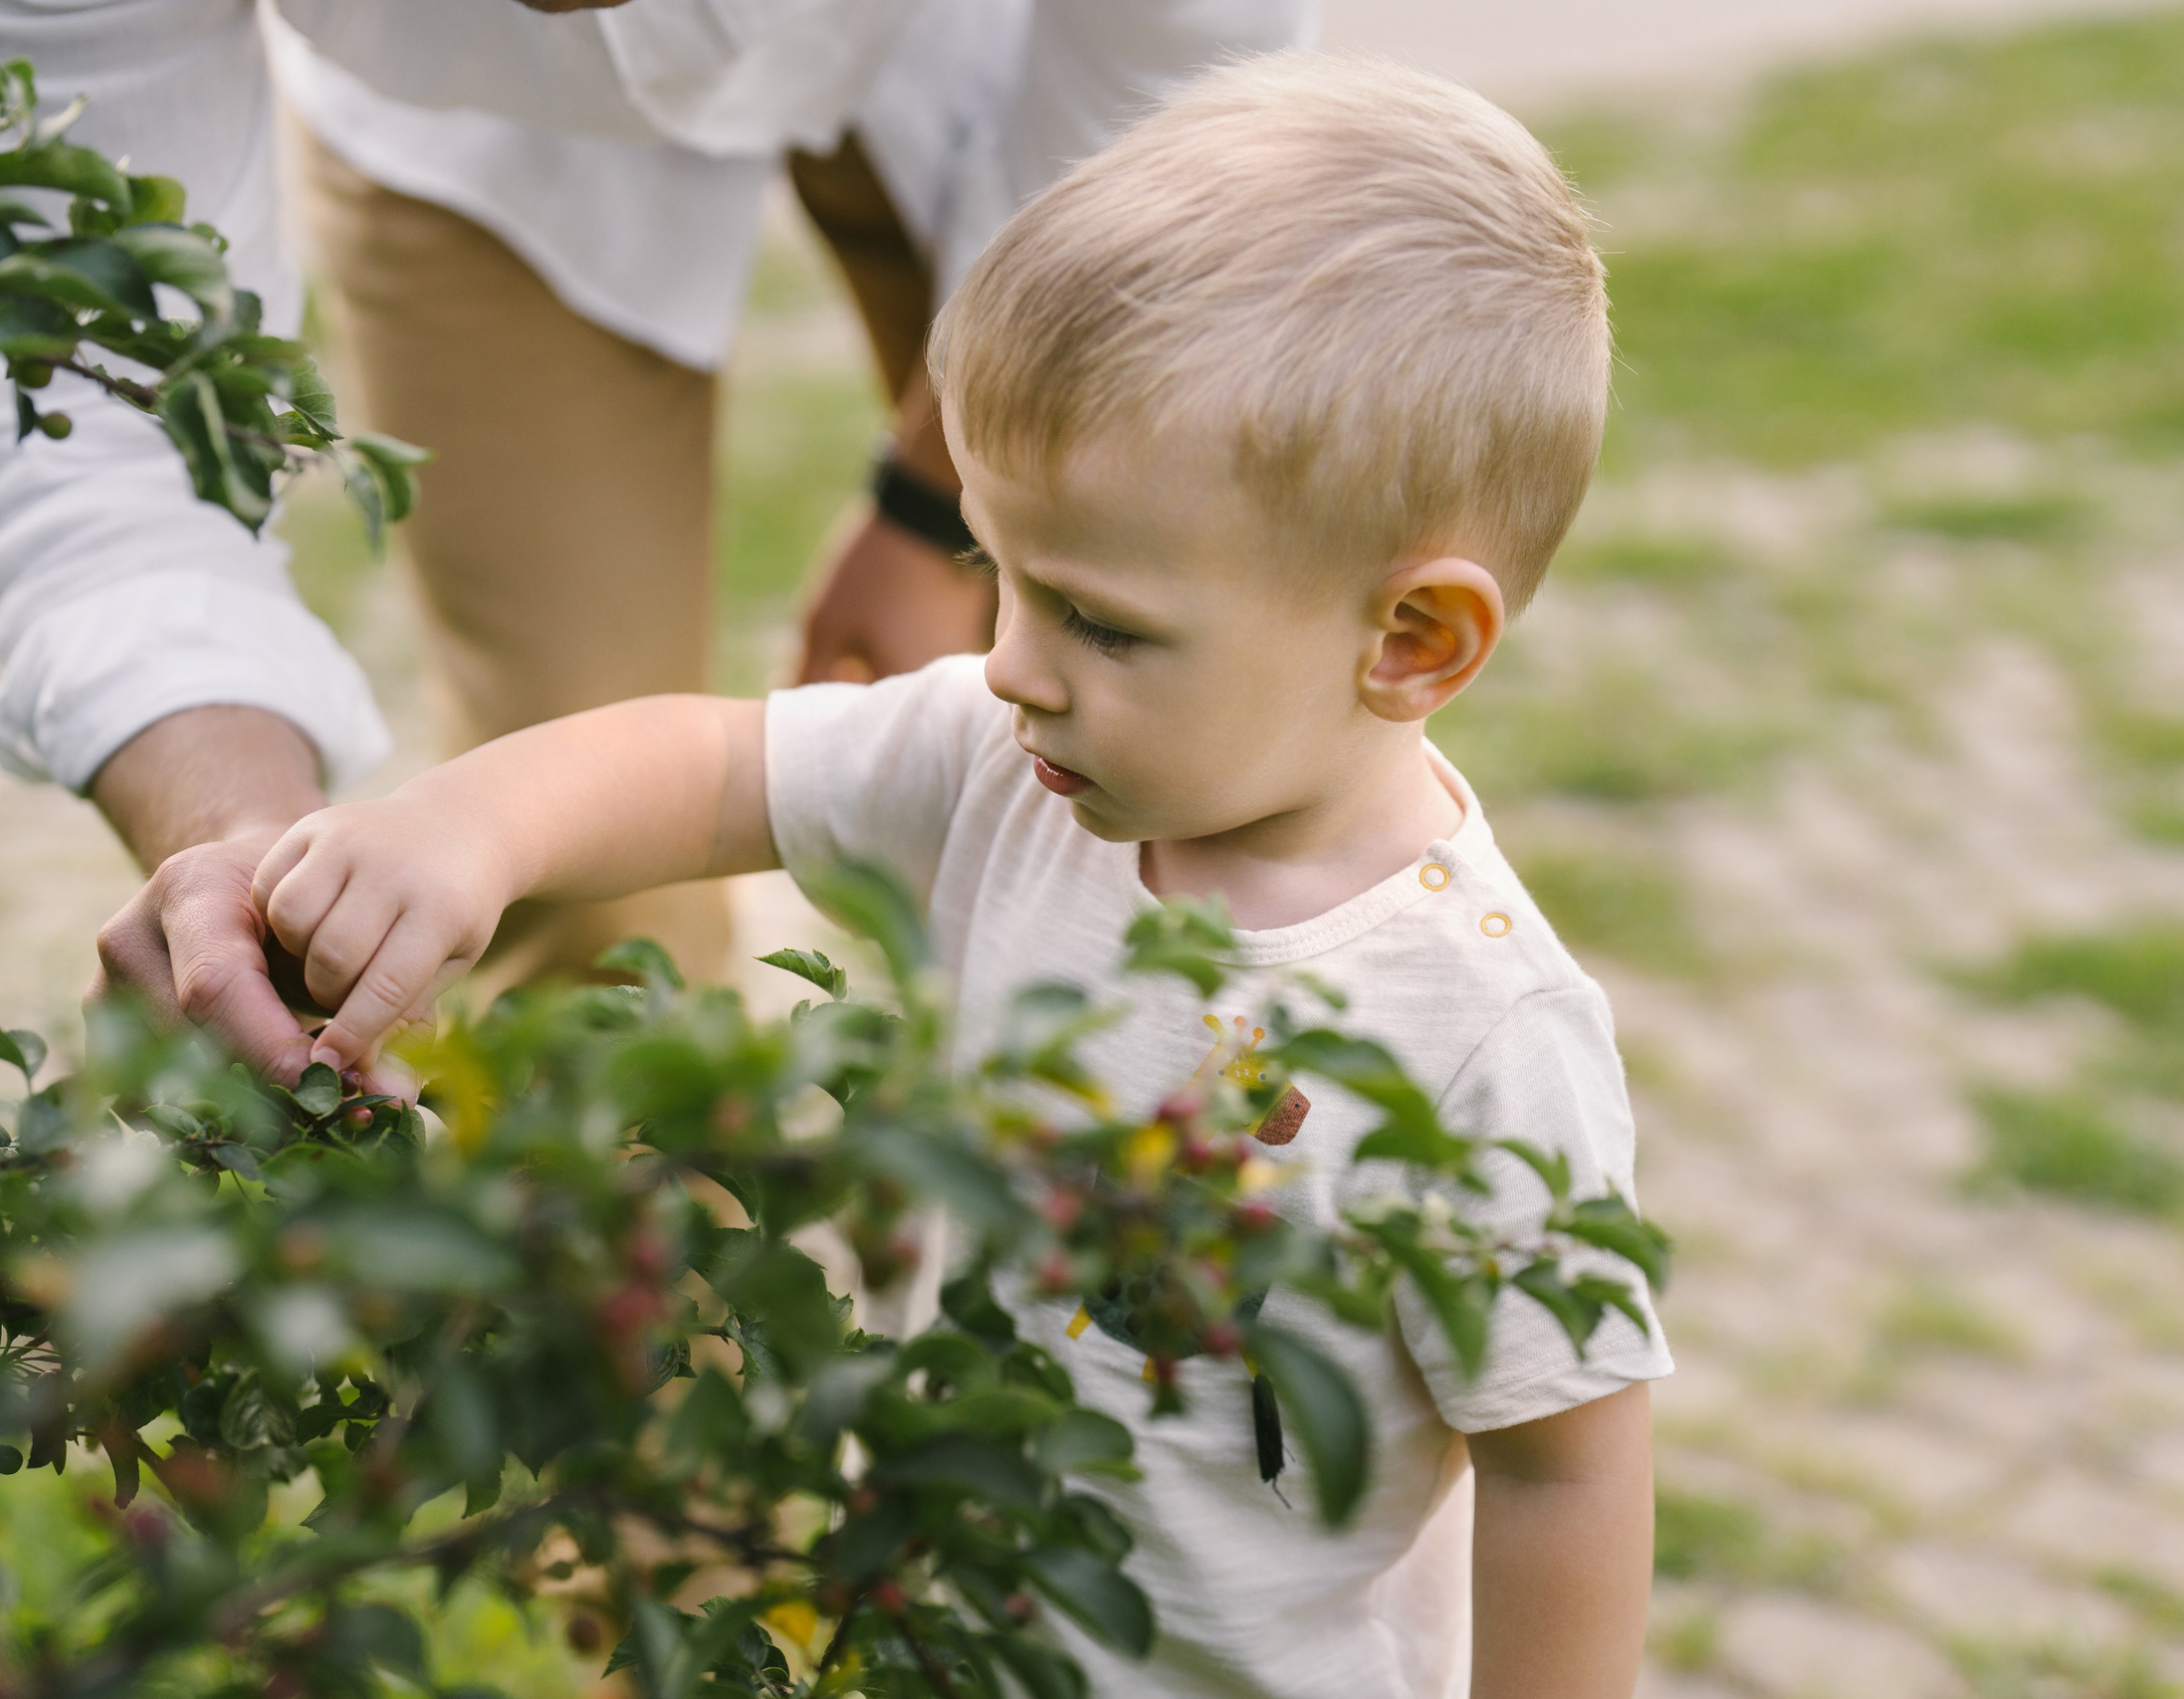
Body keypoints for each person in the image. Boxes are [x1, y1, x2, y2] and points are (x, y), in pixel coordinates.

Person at [245, 52, 1669, 1696]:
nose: (1009, 667)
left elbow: (1566, 1467)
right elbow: (714, 766)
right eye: (998, 573)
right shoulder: (1013, 773)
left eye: (1103, 621)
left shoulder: (1481, 1031)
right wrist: (472, 828)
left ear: (1413, 640)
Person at [0, 0, 1312, 1082]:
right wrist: (244, 847)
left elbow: (1168, 81)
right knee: (585, 928)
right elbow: (77, 403)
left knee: (1170, 736)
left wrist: (935, 499)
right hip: (483, 150)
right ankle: (656, 1427)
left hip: (995, 53)